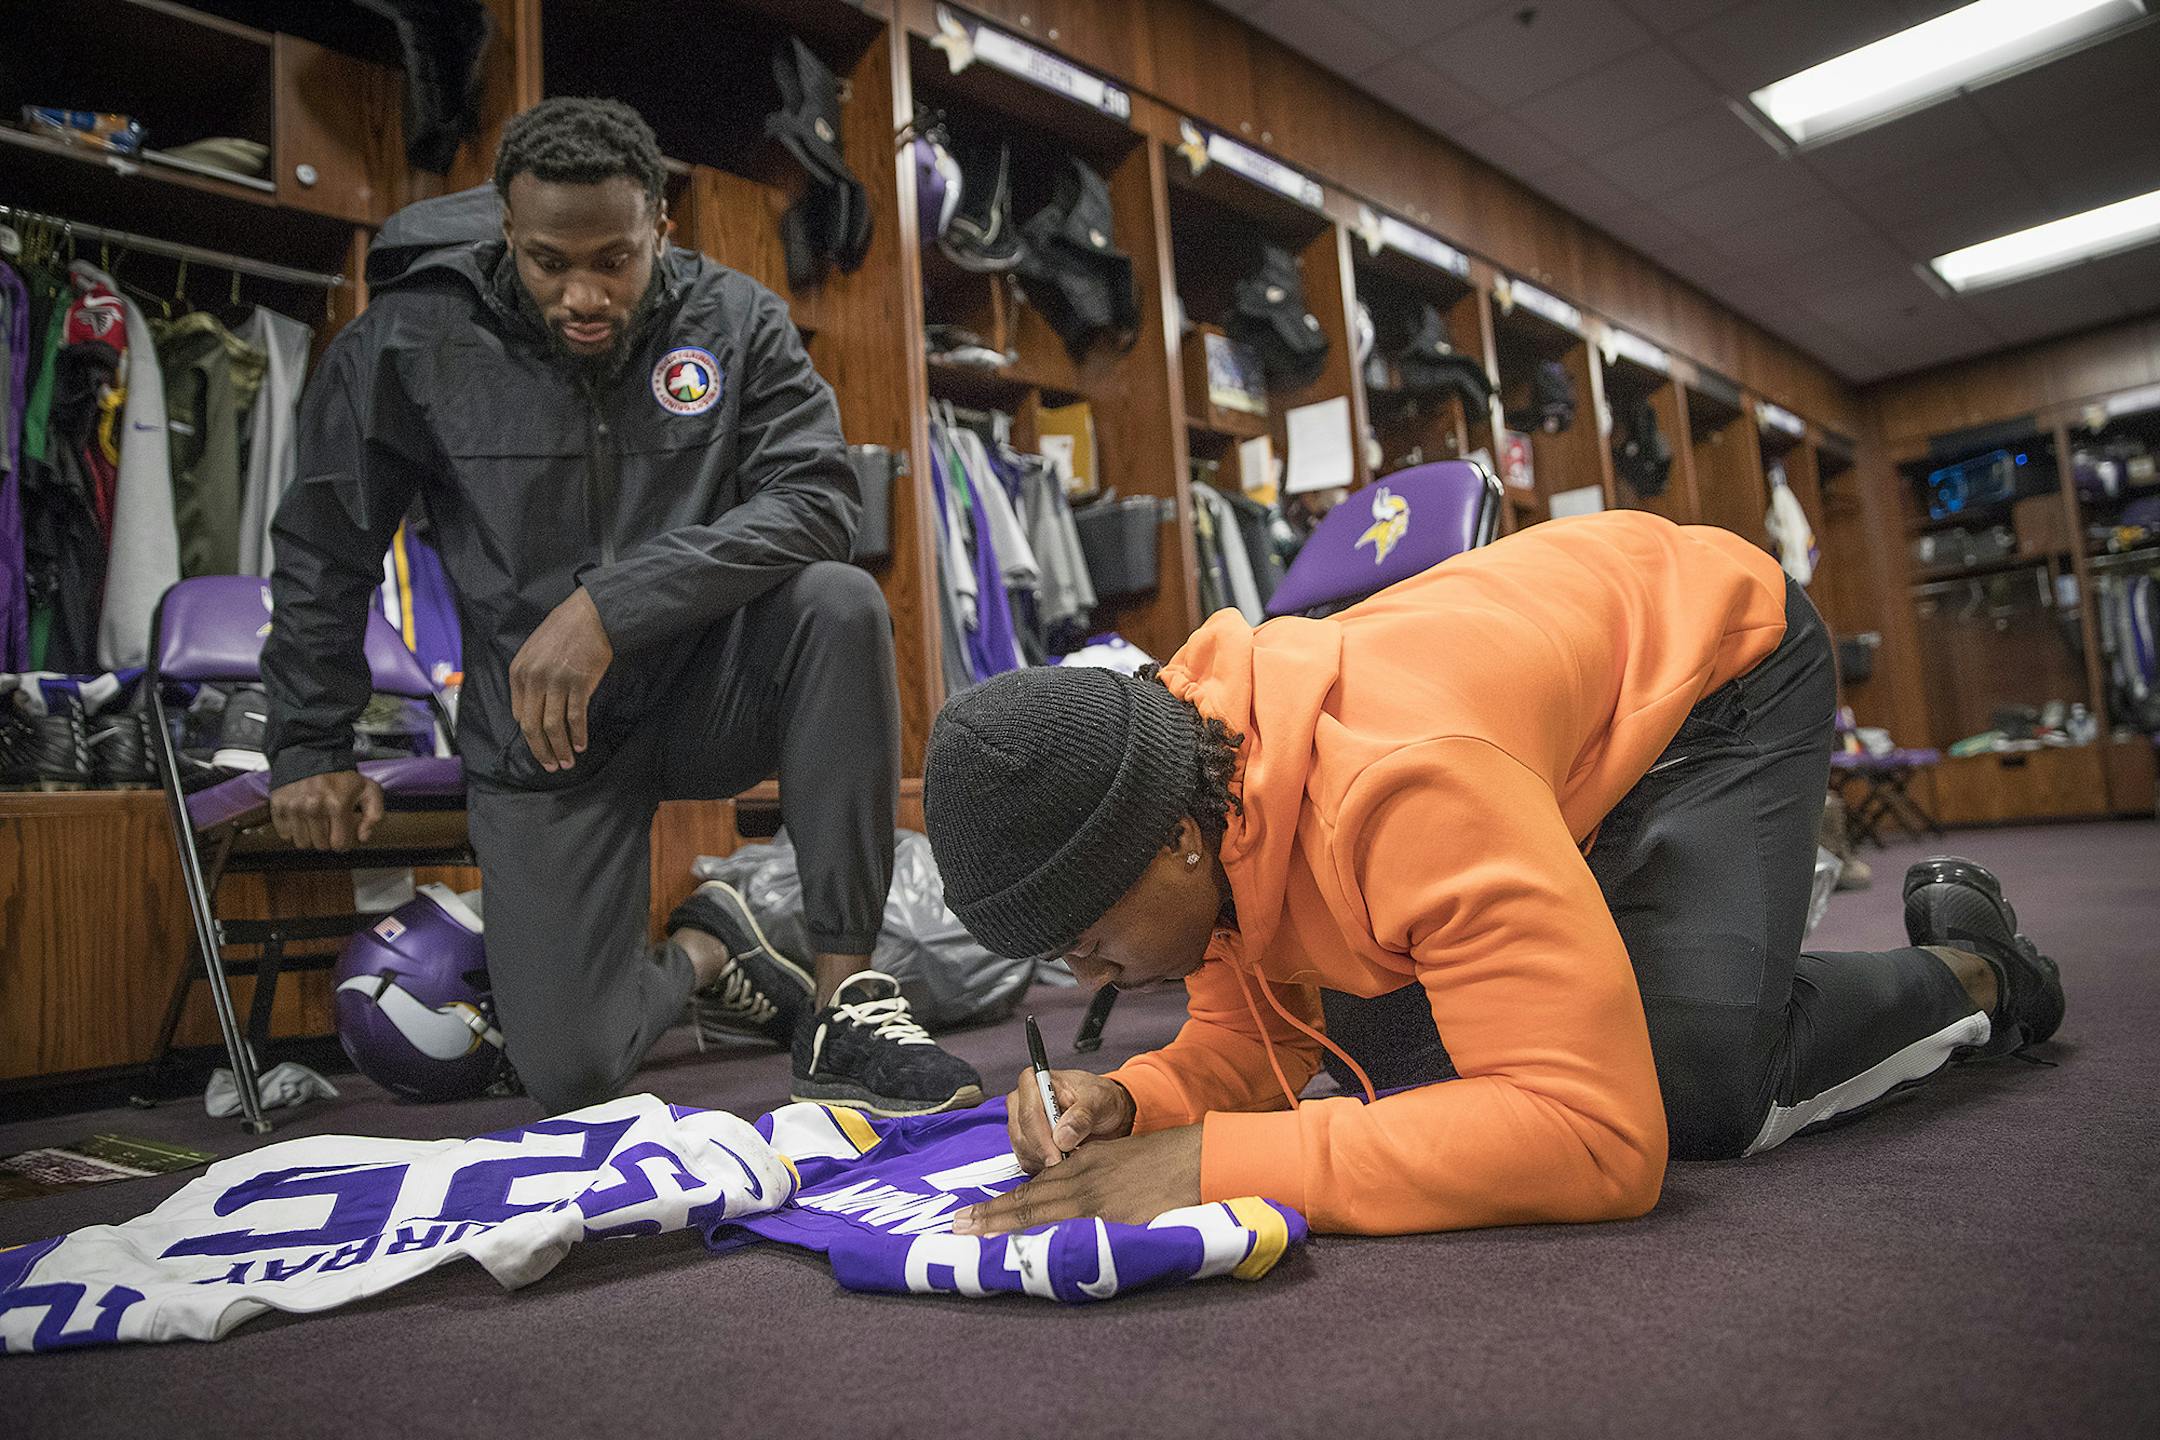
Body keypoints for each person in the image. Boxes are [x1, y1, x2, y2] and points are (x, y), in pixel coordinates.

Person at [919, 509, 2064, 1236]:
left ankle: (1981, 968)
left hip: (1714, 665)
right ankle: (1674, 932)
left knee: (1695, 1089)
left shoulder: (1398, 791)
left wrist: (1208, 1165)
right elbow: (1259, 1036)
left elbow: (1599, 1140)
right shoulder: (1170, 780)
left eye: (1086, 940)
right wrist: (1137, 1101)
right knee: (1392, 1053)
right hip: (1530, 725)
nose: (1087, 976)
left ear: (1175, 838)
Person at [261, 98, 983, 1118]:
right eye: (550, 263)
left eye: (615, 260)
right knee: (573, 1073)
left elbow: (820, 500)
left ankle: (842, 1006)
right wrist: (309, 742)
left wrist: (611, 606)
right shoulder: (408, 342)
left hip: (707, 693)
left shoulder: (735, 320)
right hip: (544, 737)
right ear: (507, 232)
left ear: (661, 230)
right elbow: (325, 545)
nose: (584, 295)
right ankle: (710, 946)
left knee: (839, 606)